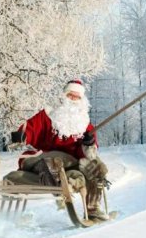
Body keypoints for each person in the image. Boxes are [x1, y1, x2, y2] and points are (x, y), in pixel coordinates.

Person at [14, 79, 110, 221]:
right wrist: (22, 135)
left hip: (74, 160)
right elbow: (30, 128)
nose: (73, 100)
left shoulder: (85, 123)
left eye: (77, 97)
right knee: (52, 162)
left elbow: (90, 152)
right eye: (70, 95)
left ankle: (93, 208)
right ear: (64, 96)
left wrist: (89, 144)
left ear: (81, 100)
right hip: (49, 156)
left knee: (96, 166)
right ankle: (60, 189)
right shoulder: (49, 115)